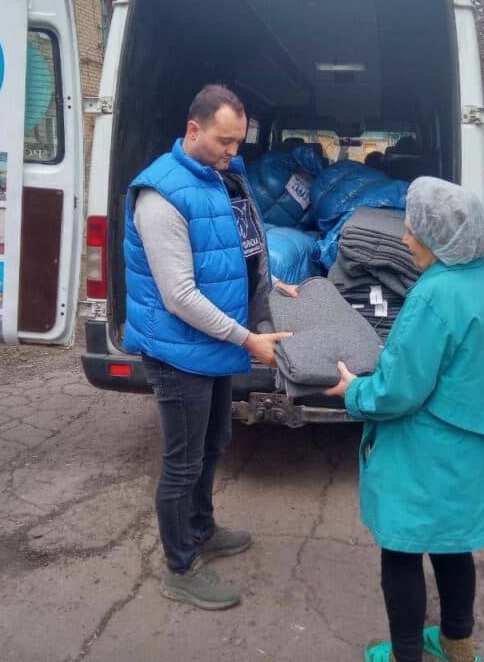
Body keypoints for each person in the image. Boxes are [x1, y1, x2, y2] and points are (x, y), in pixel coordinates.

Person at [325, 177, 484, 662]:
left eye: (413, 229)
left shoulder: (434, 297)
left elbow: (398, 391)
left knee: (401, 549)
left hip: (429, 455)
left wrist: (352, 391)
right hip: (475, 451)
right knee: (454, 548)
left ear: (439, 238)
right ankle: (458, 646)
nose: (404, 238)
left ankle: (406, 655)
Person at [124, 84, 295, 611]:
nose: (233, 151)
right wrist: (249, 339)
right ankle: (180, 565)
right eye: (224, 141)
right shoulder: (161, 194)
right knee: (181, 463)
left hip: (215, 345)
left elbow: (240, 247)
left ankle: (202, 528)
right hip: (180, 350)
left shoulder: (225, 176)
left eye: (238, 142)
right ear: (193, 129)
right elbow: (179, 296)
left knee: (215, 442)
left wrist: (269, 285)